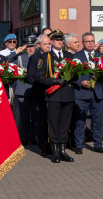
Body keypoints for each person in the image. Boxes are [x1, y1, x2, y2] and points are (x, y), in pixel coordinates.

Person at [35, 29, 75, 163]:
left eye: (61, 39)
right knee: (53, 123)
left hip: (67, 94)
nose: (60, 41)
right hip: (53, 95)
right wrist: (54, 81)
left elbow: (76, 74)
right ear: (51, 41)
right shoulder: (45, 57)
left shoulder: (69, 56)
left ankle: (63, 150)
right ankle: (55, 152)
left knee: (65, 123)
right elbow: (39, 77)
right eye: (57, 39)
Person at [73, 32, 103, 154]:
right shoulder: (76, 56)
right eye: (88, 42)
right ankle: (79, 145)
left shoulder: (101, 56)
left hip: (97, 92)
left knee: (98, 120)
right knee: (80, 120)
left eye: (92, 41)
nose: (90, 44)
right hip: (81, 92)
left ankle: (98, 145)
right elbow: (72, 75)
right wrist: (81, 82)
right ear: (83, 42)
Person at [27, 34, 52, 156]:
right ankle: (42, 146)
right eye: (45, 44)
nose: (48, 46)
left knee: (50, 120)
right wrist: (41, 85)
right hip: (40, 94)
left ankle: (50, 144)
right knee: (41, 121)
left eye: (49, 44)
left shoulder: (52, 56)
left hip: (52, 93)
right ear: (38, 45)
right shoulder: (34, 57)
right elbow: (30, 76)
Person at [13, 36, 37, 146]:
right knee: (24, 116)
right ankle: (24, 137)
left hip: (35, 89)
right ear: (24, 48)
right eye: (28, 47)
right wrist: (16, 52)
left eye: (32, 46)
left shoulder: (39, 57)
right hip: (22, 89)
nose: (30, 49)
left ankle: (34, 136)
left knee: (36, 115)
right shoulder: (19, 57)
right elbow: (6, 62)